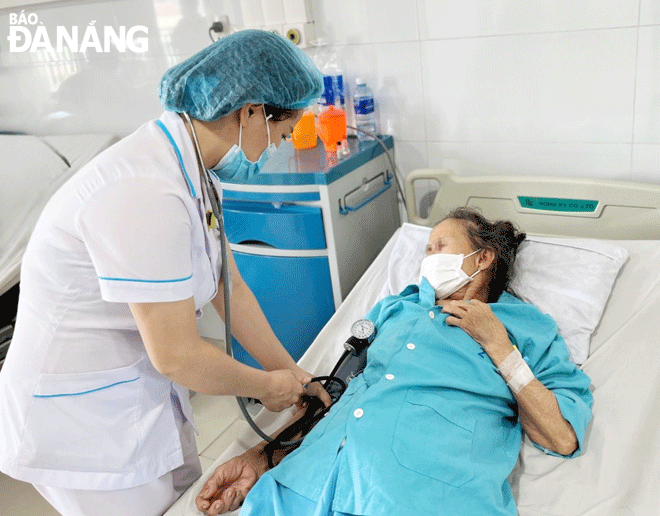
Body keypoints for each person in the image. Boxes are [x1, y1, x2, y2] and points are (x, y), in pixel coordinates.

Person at [0, 30, 330, 516]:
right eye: (284, 130)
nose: (281, 145)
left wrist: (291, 373)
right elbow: (176, 355)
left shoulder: (194, 169)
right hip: (80, 427)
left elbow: (227, 286)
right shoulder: (143, 190)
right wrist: (267, 388)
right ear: (252, 110)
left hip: (131, 397)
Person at [195, 208, 594, 516]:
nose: (429, 258)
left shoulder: (524, 325)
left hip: (419, 493)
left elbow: (561, 437)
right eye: (427, 249)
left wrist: (501, 348)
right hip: (306, 482)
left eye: (441, 247)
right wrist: (263, 457)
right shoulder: (395, 308)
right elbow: (334, 393)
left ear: (483, 257)